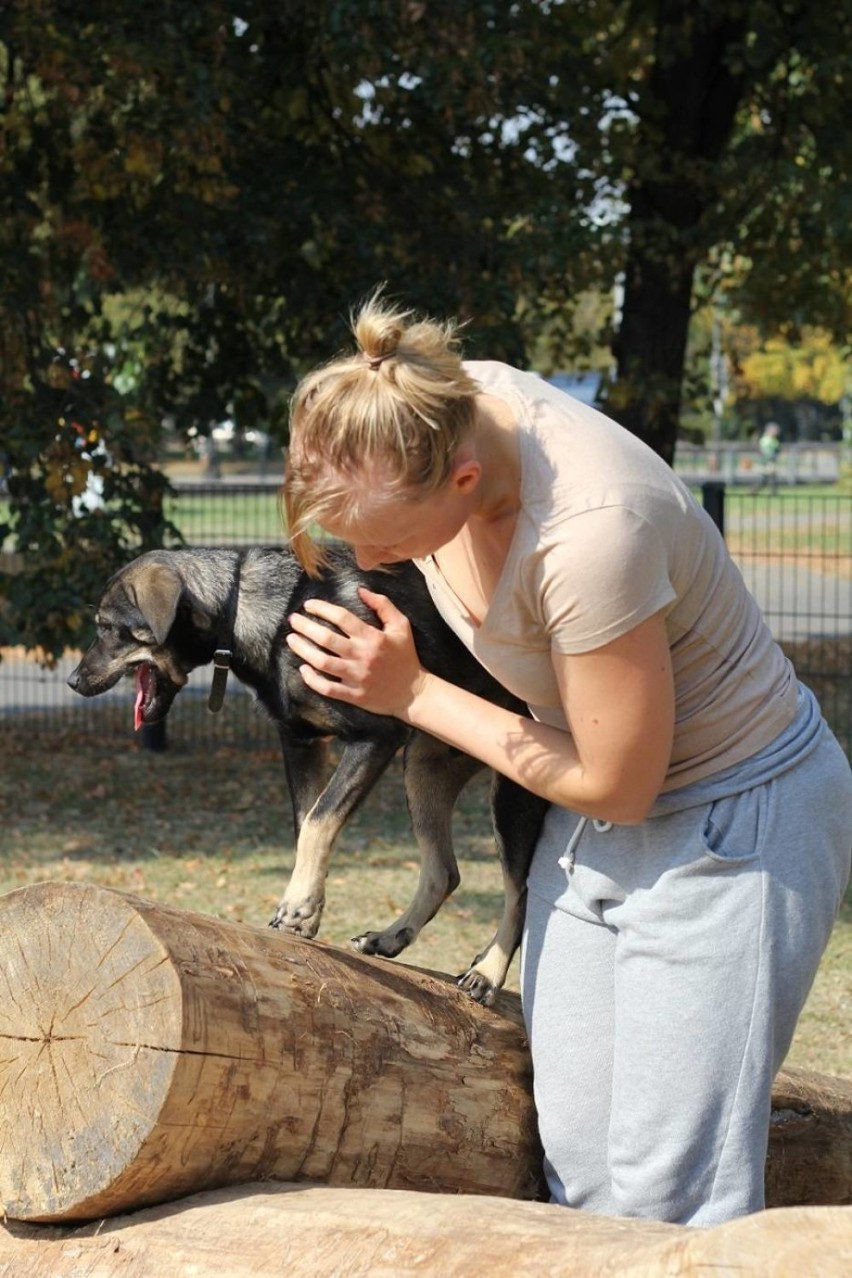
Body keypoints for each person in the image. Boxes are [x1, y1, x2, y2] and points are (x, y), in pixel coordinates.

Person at [282, 293, 852, 1228]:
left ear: (464, 482)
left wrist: (415, 694)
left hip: (732, 823)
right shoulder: (425, 403)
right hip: (592, 820)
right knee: (581, 1168)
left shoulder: (592, 531)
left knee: (674, 1197)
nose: (362, 557)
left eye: (380, 539)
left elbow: (617, 782)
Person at [751, 421, 782, 494]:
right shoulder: (765, 440)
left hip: (771, 462)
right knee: (763, 480)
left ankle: (773, 492)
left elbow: (777, 451)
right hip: (765, 463)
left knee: (772, 478)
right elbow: (765, 453)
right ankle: (752, 491)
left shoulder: (774, 440)